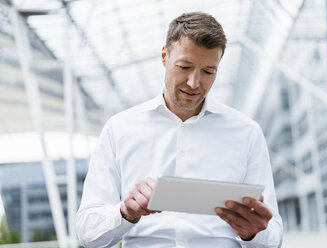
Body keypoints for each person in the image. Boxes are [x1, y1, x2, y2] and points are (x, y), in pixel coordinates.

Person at [76, 12, 283, 248]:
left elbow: (274, 234)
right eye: (184, 67)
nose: (194, 83)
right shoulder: (119, 129)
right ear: (165, 56)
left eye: (208, 71)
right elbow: (86, 232)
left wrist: (253, 234)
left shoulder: (247, 132)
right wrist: (124, 212)